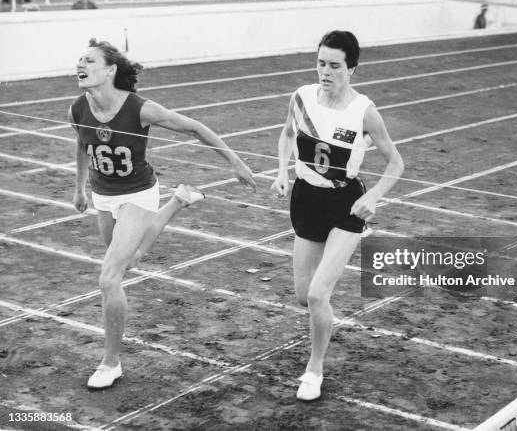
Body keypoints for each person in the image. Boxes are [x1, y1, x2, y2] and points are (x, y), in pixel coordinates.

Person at [69, 39, 257, 389]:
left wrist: (236, 162)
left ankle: (111, 363)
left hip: (138, 194)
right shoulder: (78, 108)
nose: (81, 64)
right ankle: (179, 201)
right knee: (130, 260)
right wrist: (80, 187)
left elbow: (194, 127)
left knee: (110, 278)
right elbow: (82, 143)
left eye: (90, 60)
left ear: (110, 70)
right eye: (79, 59)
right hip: (103, 195)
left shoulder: (141, 109)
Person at [271, 31, 404, 401]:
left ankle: (314, 369)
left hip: (346, 204)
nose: (325, 72)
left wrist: (374, 196)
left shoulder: (364, 112)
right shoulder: (301, 97)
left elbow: (396, 163)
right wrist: (282, 172)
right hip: (305, 199)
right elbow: (285, 135)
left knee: (316, 295)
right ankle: (324, 307)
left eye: (334, 66)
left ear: (352, 70)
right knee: (304, 296)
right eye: (320, 63)